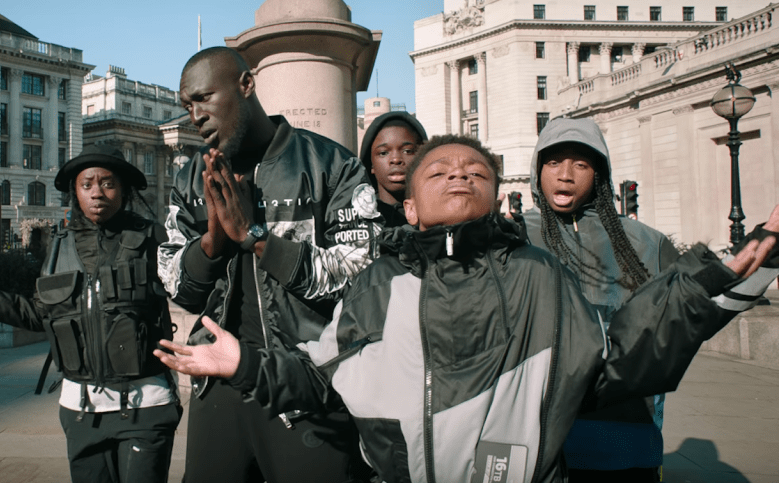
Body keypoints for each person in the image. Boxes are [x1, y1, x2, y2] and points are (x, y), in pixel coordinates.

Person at [154, 134, 778, 483]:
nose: (459, 175)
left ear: (493, 194)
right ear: (413, 207)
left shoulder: (538, 274)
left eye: (476, 171)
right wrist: (246, 364)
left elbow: (608, 361)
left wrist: (706, 287)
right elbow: (323, 377)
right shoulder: (376, 282)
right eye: (441, 171)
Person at [156, 46, 381, 483]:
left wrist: (257, 240)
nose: (194, 116)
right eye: (187, 105)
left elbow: (362, 276)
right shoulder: (189, 179)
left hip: (306, 382)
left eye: (204, 98)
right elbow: (177, 287)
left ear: (245, 85)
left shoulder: (329, 164)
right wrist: (212, 245)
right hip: (216, 380)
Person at [521, 117, 779, 482]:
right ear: (537, 169)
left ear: (599, 174)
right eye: (553, 162)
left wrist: (766, 249)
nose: (565, 175)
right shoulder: (513, 238)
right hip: (535, 444)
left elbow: (695, 312)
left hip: (625, 440)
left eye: (581, 164)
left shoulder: (646, 242)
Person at [0, 144, 180, 483]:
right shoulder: (59, 245)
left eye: (108, 183)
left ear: (124, 190)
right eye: (87, 184)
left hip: (147, 406)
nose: (97, 192)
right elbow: (39, 314)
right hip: (82, 412)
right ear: (75, 193)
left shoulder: (152, 237)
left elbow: (193, 286)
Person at [359, 111, 427, 228]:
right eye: (383, 153)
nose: (396, 159)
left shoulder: (440, 213)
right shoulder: (356, 216)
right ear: (371, 165)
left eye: (407, 151)